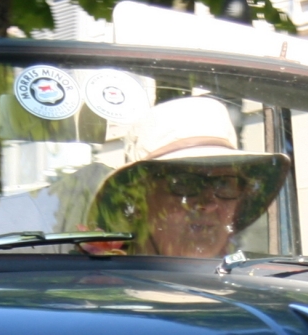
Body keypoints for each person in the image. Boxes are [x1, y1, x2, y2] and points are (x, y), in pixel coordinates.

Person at [84, 96, 290, 258]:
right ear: (137, 200)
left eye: (224, 184)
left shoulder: (255, 293)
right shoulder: (99, 298)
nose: (209, 204)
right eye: (185, 183)